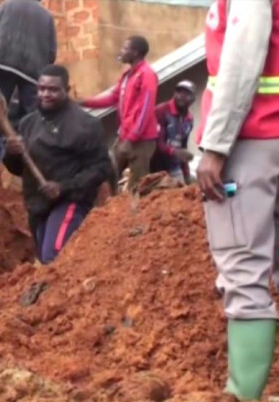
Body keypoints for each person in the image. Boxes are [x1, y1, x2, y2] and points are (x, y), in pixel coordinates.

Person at [196, 0, 278, 400]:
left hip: (253, 142)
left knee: (243, 271)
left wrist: (215, 146)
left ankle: (242, 394)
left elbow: (243, 55)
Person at [3, 64, 111, 264]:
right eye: (42, 89)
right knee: (44, 261)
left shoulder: (85, 125)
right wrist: (11, 154)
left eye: (53, 89)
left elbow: (101, 168)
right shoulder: (28, 123)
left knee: (53, 258)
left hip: (70, 201)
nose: (46, 94)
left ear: (66, 90)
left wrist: (63, 188)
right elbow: (17, 169)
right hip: (37, 202)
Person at [81, 35, 158, 193]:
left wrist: (131, 138)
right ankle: (112, 211)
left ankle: (135, 215)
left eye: (125, 48)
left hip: (141, 141)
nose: (121, 52)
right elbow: (112, 99)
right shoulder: (127, 75)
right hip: (125, 135)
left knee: (139, 185)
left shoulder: (147, 75)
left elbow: (146, 110)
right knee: (109, 173)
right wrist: (83, 102)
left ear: (135, 52)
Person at [0, 0, 56, 121]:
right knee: (33, 113)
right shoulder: (47, 16)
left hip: (3, 62)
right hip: (32, 70)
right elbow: (52, 52)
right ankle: (31, 137)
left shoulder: (6, 5)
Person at [150, 80, 196, 184]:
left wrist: (187, 174)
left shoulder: (189, 120)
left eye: (187, 94)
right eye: (179, 92)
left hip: (174, 168)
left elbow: (183, 147)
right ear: (174, 93)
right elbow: (157, 143)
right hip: (155, 168)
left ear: (193, 99)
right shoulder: (161, 111)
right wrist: (175, 152)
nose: (182, 96)